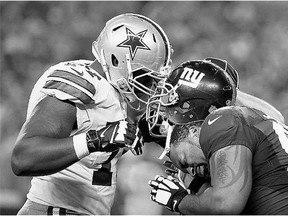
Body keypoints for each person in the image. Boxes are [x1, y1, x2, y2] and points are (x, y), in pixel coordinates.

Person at [11, 13, 173, 215]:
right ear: (118, 62)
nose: (152, 87)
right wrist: (96, 139)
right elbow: (22, 158)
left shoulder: (119, 95)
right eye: (148, 78)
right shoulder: (80, 84)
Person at [147, 60, 288, 214]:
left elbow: (224, 205)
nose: (193, 172)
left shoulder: (222, 121)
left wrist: (178, 200)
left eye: (185, 162)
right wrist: (196, 185)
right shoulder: (250, 122)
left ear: (194, 131)